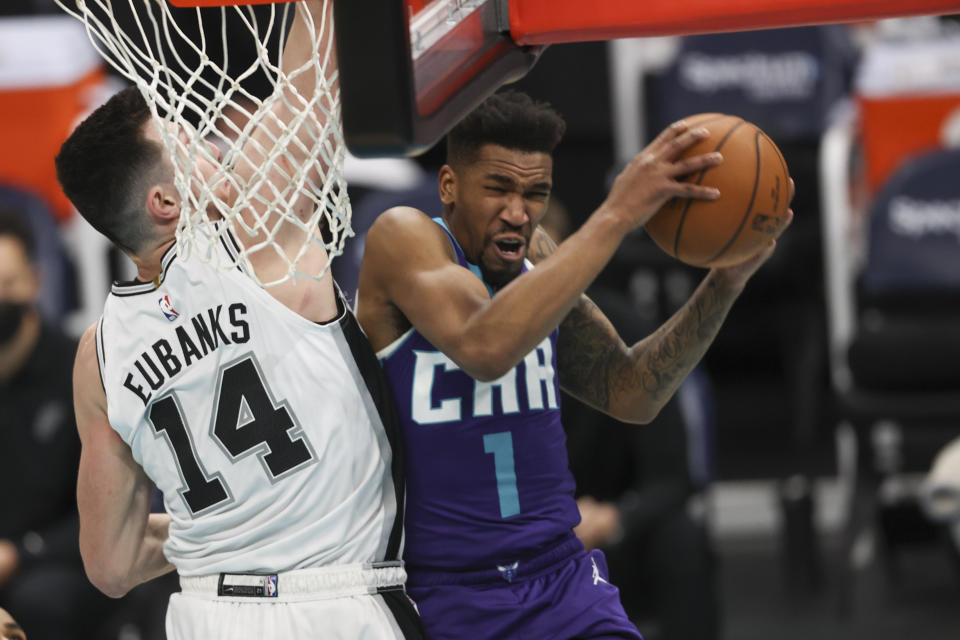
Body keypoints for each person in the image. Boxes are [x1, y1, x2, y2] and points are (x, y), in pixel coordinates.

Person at [355, 90, 792, 639]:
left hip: (561, 580)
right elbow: (485, 346)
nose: (518, 211)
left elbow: (630, 392)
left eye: (535, 192)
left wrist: (725, 282)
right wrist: (619, 211)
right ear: (449, 186)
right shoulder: (404, 236)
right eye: (498, 188)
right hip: (444, 592)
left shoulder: (536, 253)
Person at [53, 2, 424, 638]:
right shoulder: (261, 239)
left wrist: (225, 528)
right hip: (334, 602)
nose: (214, 147)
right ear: (166, 201)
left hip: (204, 615)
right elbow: (312, 69)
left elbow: (110, 567)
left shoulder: (98, 356)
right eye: (191, 142)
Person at [0, 206, 121, 639]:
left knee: (40, 599)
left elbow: (114, 505)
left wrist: (21, 553)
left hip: (63, 563)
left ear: (35, 280)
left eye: (7, 285)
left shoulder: (82, 369)